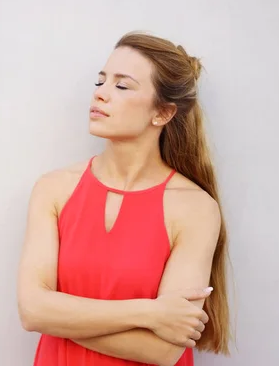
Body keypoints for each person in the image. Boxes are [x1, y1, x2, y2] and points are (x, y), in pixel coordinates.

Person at [16, 31, 230, 366]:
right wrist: (151, 312)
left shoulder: (195, 208)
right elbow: (31, 311)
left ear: (162, 113)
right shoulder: (54, 189)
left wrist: (58, 314)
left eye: (121, 85)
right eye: (100, 81)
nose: (100, 94)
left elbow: (163, 350)